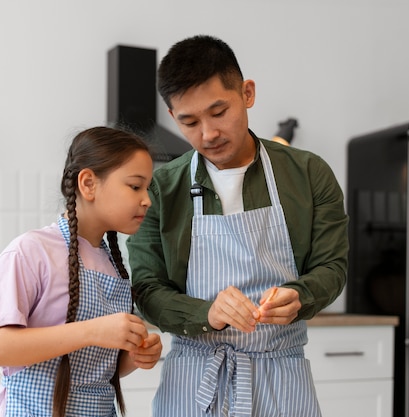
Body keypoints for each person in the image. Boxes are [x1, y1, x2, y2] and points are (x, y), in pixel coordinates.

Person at [126, 35, 349, 417]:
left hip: (282, 377)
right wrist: (206, 314)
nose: (208, 134)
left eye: (218, 112)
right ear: (172, 115)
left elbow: (333, 267)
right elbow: (146, 289)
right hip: (194, 380)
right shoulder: (161, 189)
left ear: (247, 93)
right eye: (189, 122)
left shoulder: (309, 174)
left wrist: (300, 296)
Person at [0, 126, 162, 417]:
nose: (147, 199)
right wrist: (91, 331)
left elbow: (95, 371)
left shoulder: (114, 263)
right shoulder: (32, 251)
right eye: (135, 186)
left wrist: (135, 356)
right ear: (88, 184)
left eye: (147, 188)